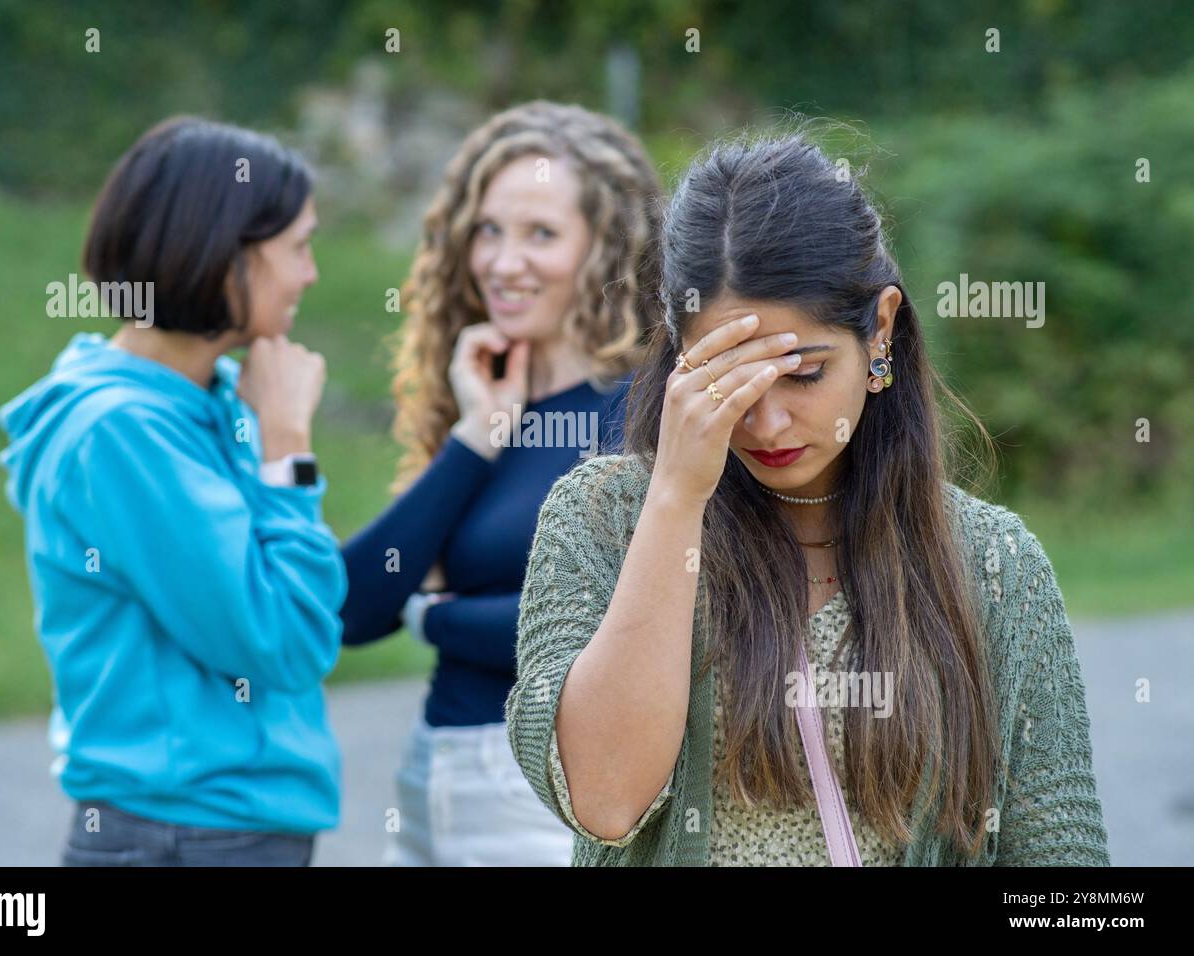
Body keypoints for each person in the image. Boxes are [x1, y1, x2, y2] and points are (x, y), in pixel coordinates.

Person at [506, 131, 1111, 866]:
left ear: (879, 328)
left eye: (803, 374)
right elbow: (604, 800)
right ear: (676, 347)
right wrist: (675, 498)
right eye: (730, 378)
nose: (765, 422)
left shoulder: (992, 562)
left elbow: (1064, 866)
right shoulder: (600, 521)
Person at [0, 116, 346, 866]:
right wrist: (288, 448)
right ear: (228, 260)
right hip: (188, 835)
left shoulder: (210, 400)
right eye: (299, 247)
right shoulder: (124, 434)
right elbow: (282, 639)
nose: (311, 274)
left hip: (220, 829)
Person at [339, 101, 664, 866]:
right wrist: (474, 434)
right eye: (489, 230)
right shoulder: (479, 403)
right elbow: (351, 607)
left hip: (542, 793)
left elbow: (619, 629)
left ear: (606, 246)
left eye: (540, 234)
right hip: (430, 778)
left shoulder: (641, 413)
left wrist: (435, 620)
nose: (502, 261)